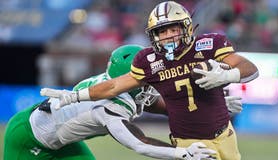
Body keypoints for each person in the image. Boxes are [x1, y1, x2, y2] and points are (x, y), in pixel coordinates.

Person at [41, 1, 258, 159]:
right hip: (189, 141)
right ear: (154, 35)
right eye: (162, 32)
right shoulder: (149, 60)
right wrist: (75, 96)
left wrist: (227, 75)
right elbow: (115, 85)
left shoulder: (209, 44)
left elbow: (251, 69)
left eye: (174, 29)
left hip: (225, 133)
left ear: (187, 28)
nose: (169, 36)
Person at [4, 45, 219, 160]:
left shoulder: (120, 86)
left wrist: (211, 107)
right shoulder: (110, 105)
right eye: (143, 79)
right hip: (27, 138)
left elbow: (166, 107)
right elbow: (140, 143)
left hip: (60, 141)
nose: (151, 84)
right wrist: (181, 153)